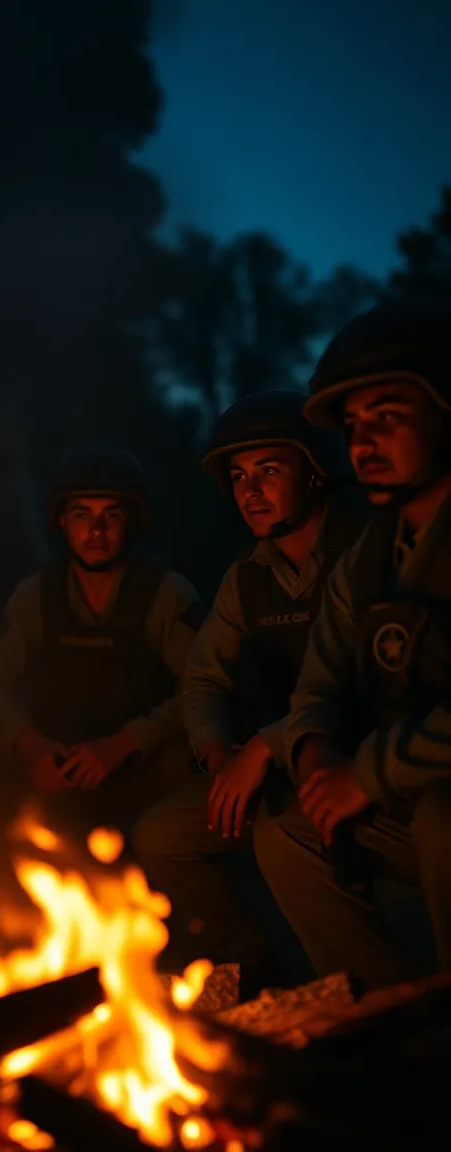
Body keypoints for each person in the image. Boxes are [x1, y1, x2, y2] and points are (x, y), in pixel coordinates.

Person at [132, 391, 366, 993]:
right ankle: (256, 970)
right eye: (238, 477)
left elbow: (357, 686)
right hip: (274, 766)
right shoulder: (249, 577)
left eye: (269, 470)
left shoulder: (367, 552)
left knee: (277, 835)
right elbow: (204, 678)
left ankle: (370, 996)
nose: (250, 491)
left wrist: (263, 747)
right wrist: (218, 755)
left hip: (360, 759)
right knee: (160, 836)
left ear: (315, 471)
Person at [254, 299, 451, 990]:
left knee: (443, 821)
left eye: (388, 418)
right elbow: (319, 683)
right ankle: (397, 1022)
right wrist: (314, 751)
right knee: (285, 832)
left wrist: (363, 775)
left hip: (432, 797)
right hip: (397, 787)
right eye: (354, 426)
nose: (364, 443)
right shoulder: (367, 559)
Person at [0, 443, 205, 839]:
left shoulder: (166, 593)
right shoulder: (36, 596)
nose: (96, 531)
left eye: (111, 516)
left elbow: (202, 689)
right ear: (62, 521)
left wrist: (123, 744)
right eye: (83, 515)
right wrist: (30, 745)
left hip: (139, 763)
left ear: (132, 521)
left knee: (182, 760)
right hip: (57, 760)